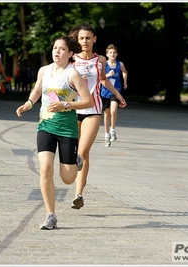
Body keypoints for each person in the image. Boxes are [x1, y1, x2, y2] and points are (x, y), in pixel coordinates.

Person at [15, 36, 93, 230]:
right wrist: (29, 104)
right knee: (45, 168)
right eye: (55, 48)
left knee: (68, 178)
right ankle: (51, 215)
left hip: (67, 129)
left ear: (70, 54)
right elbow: (37, 90)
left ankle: (76, 160)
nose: (57, 51)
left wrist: (66, 104)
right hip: (46, 126)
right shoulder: (44, 70)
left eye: (62, 49)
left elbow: (88, 101)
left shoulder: (72, 74)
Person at [68, 22, 127, 209]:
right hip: (73, 110)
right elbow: (63, 85)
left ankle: (78, 195)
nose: (85, 41)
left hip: (93, 110)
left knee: (83, 152)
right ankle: (79, 179)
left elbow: (102, 80)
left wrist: (118, 95)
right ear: (77, 40)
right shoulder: (72, 60)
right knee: (73, 153)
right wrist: (76, 84)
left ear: (95, 39)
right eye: (81, 38)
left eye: (88, 38)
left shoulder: (100, 60)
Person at [100, 44, 128, 147]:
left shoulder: (120, 64)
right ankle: (106, 135)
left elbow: (124, 72)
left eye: (114, 53)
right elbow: (99, 77)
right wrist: (108, 75)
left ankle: (113, 129)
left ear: (117, 54)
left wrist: (125, 81)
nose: (112, 54)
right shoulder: (104, 64)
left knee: (113, 110)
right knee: (106, 115)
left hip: (116, 91)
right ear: (107, 54)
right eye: (110, 53)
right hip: (105, 92)